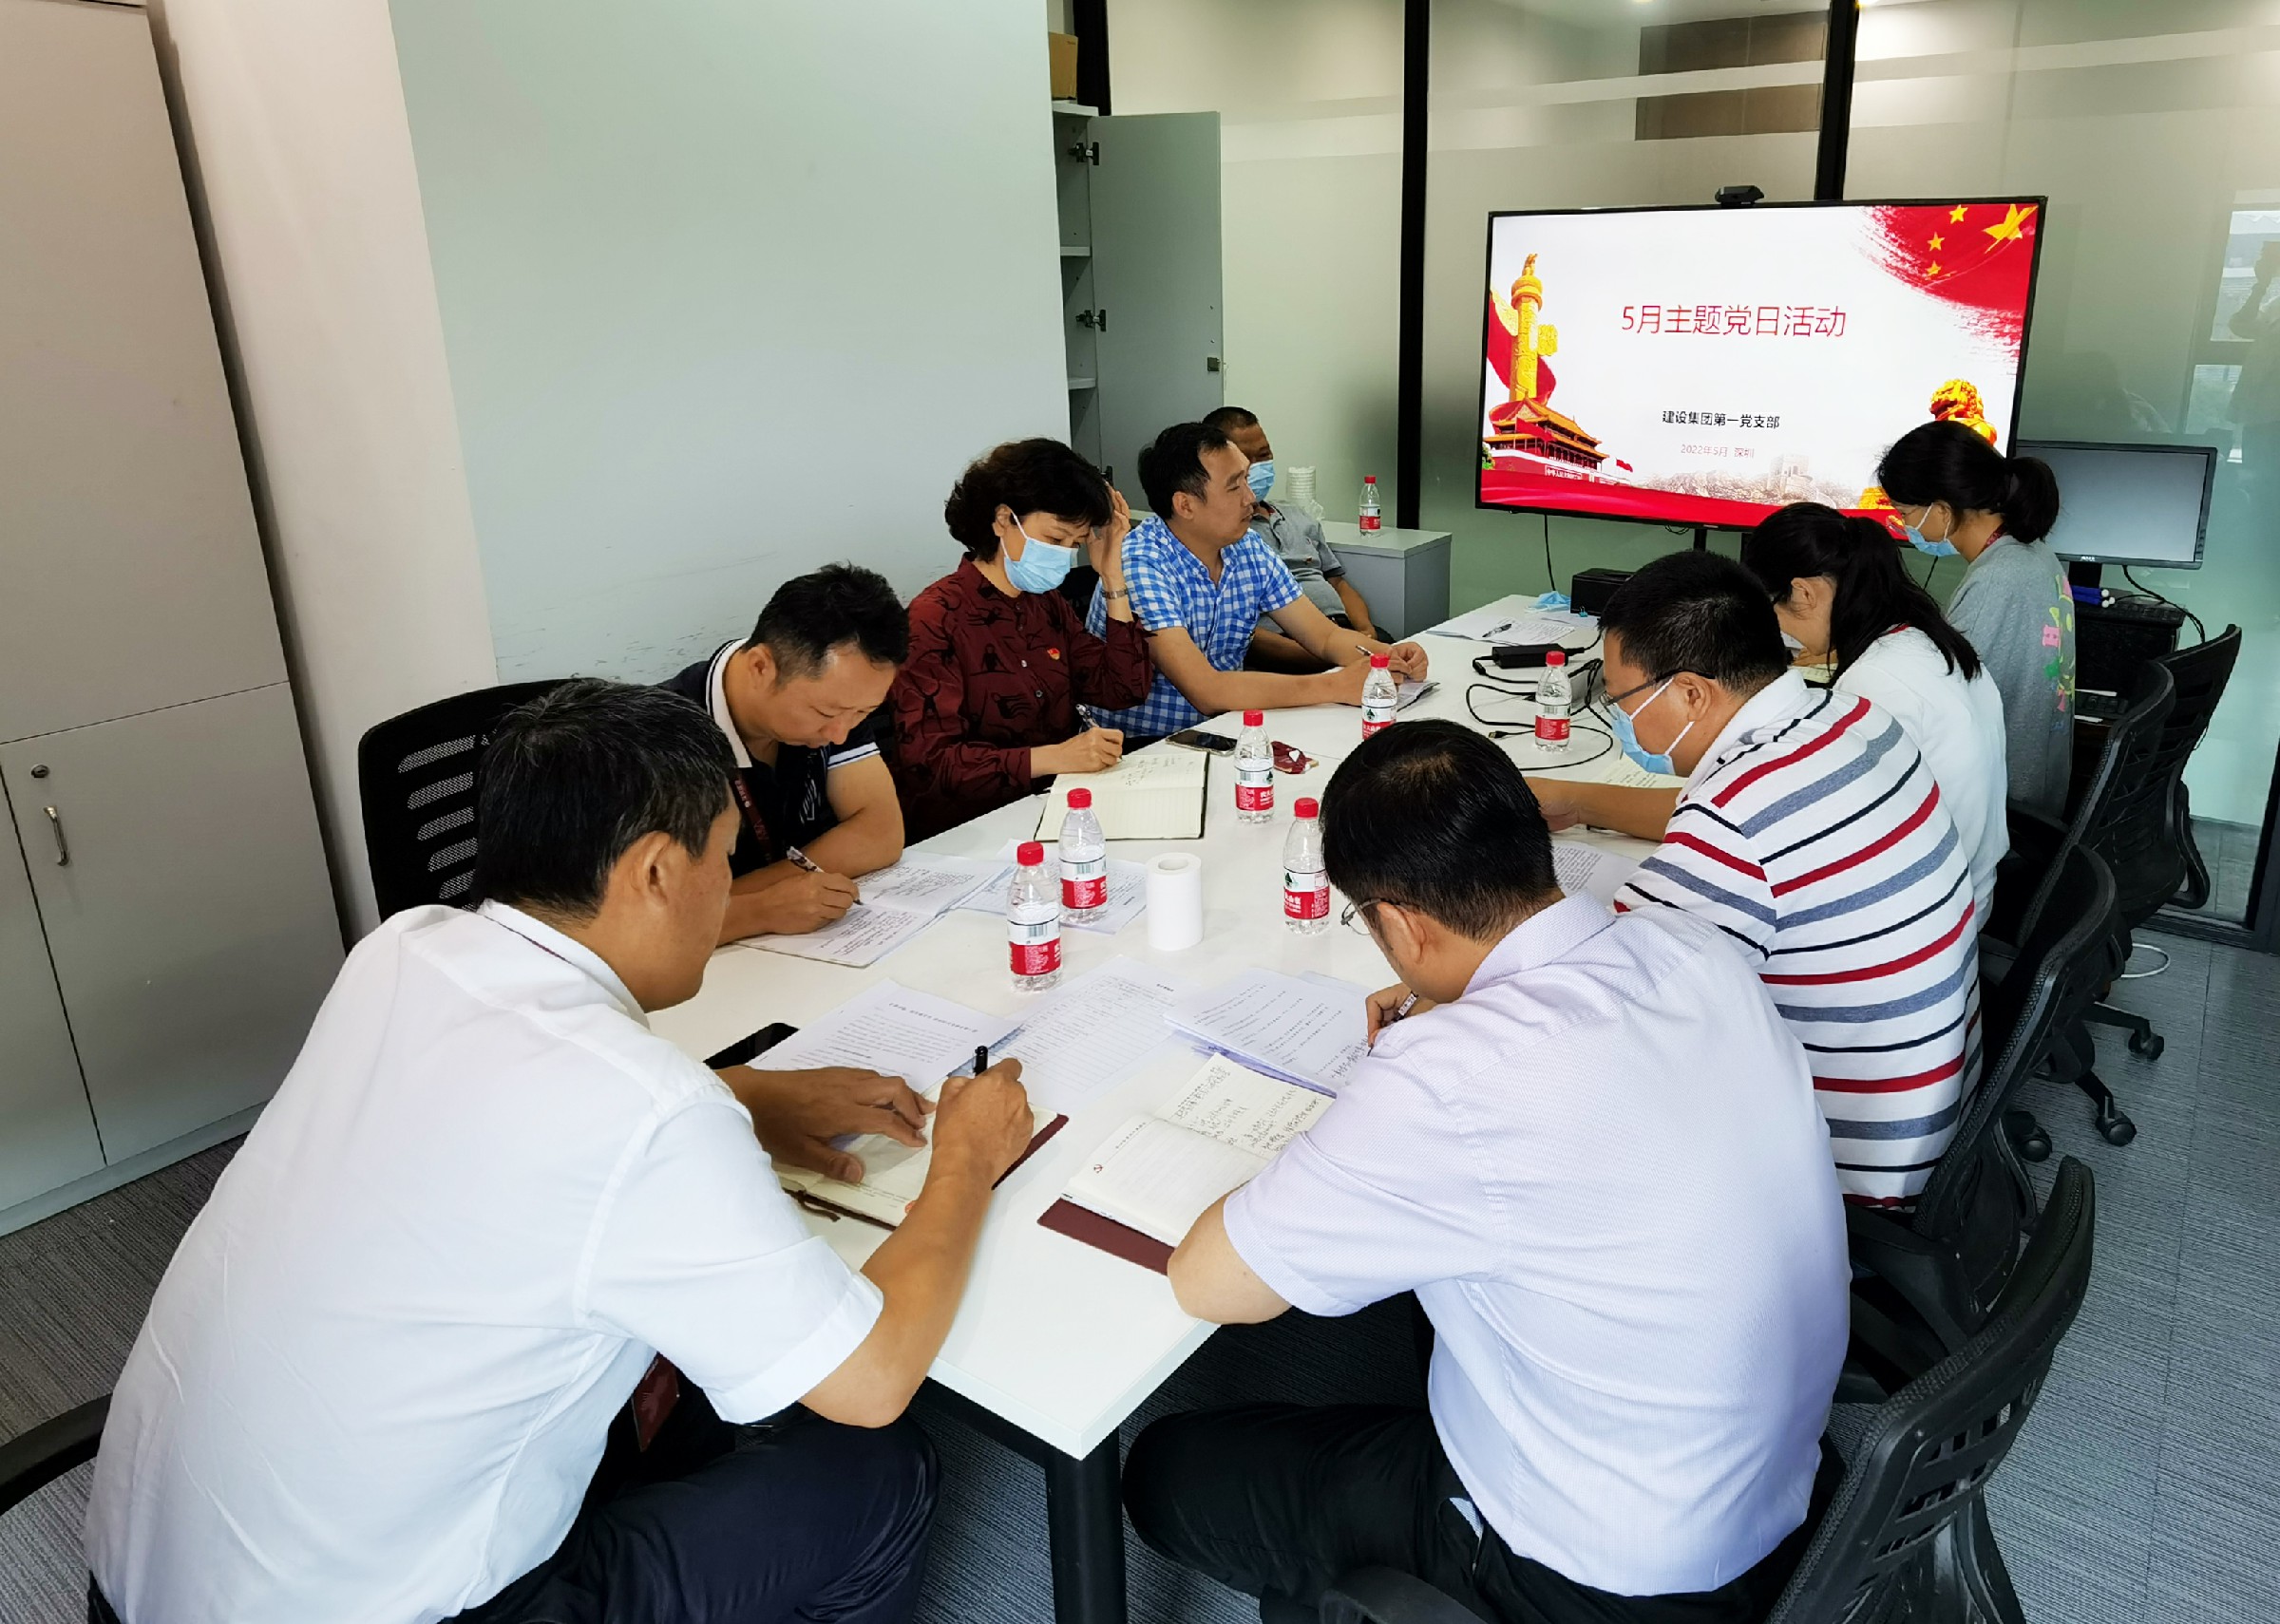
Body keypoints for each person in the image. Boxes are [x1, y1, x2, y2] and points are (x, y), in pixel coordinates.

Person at [85, 679, 1037, 1624]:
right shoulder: (649, 1111)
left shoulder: (405, 948)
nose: (730, 886)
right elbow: (870, 1382)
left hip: (146, 1579)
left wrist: (743, 1095)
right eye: (723, 858)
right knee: (873, 1468)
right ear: (656, 871)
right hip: (402, 1611)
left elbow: (492, 1110)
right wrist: (966, 1158)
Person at [1124, 720, 1848, 1624]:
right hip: (1782, 1486)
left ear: (1399, 924)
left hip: (1602, 1574)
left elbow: (1209, 1285)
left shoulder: (1450, 1079)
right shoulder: (1691, 950)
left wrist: (1398, 1089)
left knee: (1169, 1473)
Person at [1529, 552, 1979, 1206]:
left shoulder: (1731, 823)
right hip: (1928, 1103)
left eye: (1621, 700)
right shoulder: (1851, 717)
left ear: (1691, 693)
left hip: (1849, 1165)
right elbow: (1725, 815)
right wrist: (1580, 799)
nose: (1621, 718)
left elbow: (1594, 1007)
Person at [1742, 501, 2008, 918]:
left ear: (1804, 593)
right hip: (1966, 888)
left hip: (1929, 914)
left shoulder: (1875, 681)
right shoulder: (1923, 641)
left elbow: (1814, 830)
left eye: (1771, 611)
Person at [1086, 421, 1427, 744]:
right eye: (1234, 485)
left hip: (1226, 730)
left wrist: (1389, 658)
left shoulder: (1246, 546)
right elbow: (1206, 690)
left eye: (1247, 479)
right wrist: (1336, 685)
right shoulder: (1141, 564)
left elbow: (1324, 637)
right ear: (1185, 505)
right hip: (1144, 747)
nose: (1250, 497)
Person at [888, 439, 1153, 841]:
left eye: (1075, 544)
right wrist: (1054, 757)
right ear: (1003, 520)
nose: (1065, 555)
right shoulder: (936, 616)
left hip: (1053, 809)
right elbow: (931, 763)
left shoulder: (1045, 604)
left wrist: (1112, 577)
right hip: (967, 830)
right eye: (1056, 539)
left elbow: (1124, 687)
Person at [661, 563, 908, 943]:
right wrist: (759, 909)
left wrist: (731, 903)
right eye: (824, 713)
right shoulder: (659, 741)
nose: (840, 733)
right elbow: (640, 920)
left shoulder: (843, 699)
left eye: (863, 713)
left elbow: (880, 832)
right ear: (761, 667)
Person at [1874, 421, 2075, 819]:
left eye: (1904, 513)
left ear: (1942, 509)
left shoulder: (1998, 579)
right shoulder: (2030, 553)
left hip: (2001, 802)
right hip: (2032, 788)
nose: (1905, 525)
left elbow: (1942, 703)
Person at [1200, 406, 1377, 670]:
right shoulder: (1227, 536)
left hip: (1339, 636)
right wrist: (1331, 654)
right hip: (1289, 650)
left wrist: (1364, 633)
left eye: (1263, 455)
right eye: (1245, 460)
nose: (1255, 467)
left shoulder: (1296, 516)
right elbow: (1244, 634)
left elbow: (1338, 584)